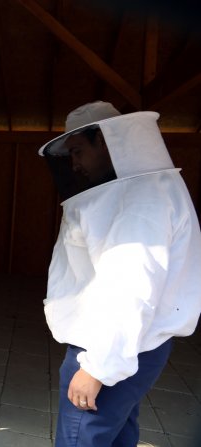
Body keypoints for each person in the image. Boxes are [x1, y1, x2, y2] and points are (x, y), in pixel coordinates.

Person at [39, 101, 201, 446]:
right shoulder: (149, 189)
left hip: (109, 349)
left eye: (79, 151)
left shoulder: (141, 200)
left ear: (106, 139)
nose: (76, 163)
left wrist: (98, 367)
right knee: (118, 434)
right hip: (132, 346)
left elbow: (131, 287)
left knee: (81, 438)